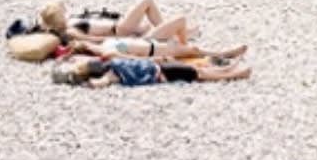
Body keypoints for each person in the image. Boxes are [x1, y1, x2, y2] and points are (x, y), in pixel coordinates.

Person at [37, 0, 192, 44]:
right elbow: (92, 39)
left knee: (147, 21)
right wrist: (121, 39)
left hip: (119, 26)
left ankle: (172, 33)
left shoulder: (69, 23)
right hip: (119, 30)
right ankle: (174, 36)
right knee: (147, 2)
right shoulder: (70, 30)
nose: (64, 9)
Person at [86, 57, 251, 87]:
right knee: (198, 74)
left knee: (197, 71)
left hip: (160, 70)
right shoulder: (112, 70)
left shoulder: (112, 71)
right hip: (160, 72)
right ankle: (234, 74)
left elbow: (99, 82)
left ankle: (227, 70)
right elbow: (99, 83)